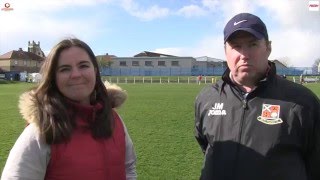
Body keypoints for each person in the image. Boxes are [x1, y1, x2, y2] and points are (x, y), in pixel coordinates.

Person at [194, 13, 320, 180]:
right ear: (226, 52)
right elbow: (206, 146)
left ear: (268, 47)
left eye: (252, 44)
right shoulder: (207, 98)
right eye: (236, 46)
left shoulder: (303, 102)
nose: (244, 55)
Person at [1, 38, 137, 180]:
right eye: (65, 69)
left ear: (95, 71)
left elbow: (129, 167)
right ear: (54, 78)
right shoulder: (42, 130)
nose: (76, 75)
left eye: (83, 66)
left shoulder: (113, 119)